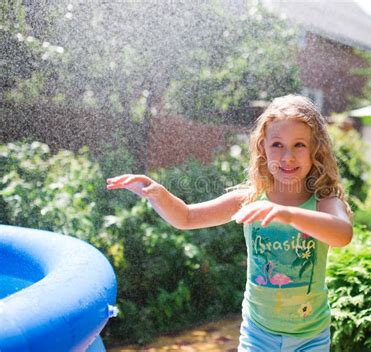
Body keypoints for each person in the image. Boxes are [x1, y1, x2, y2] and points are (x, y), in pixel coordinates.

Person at [106, 94, 353, 351]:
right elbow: (187, 217)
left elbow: (342, 234)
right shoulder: (248, 200)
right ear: (262, 148)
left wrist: (286, 214)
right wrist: (156, 192)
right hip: (259, 334)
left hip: (310, 336)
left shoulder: (324, 202)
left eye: (299, 145)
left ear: (315, 151)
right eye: (277, 144)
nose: (287, 156)